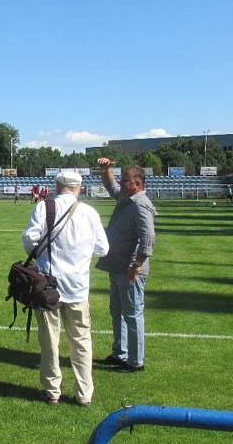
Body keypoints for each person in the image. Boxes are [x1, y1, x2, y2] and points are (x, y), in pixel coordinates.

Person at [21, 171, 108, 406]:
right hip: (78, 285)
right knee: (81, 341)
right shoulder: (89, 212)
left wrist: (42, 255)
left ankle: (52, 391)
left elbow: (29, 238)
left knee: (49, 340)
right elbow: (103, 249)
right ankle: (84, 394)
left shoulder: (44, 207)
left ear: (57, 186)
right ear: (79, 188)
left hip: (47, 285)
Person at [95, 158, 156, 373]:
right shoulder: (126, 197)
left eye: (125, 180)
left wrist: (136, 266)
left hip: (131, 270)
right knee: (118, 312)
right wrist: (106, 170)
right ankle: (119, 353)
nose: (121, 183)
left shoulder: (140, 204)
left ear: (137, 184)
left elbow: (148, 239)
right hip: (117, 266)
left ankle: (135, 361)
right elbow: (112, 188)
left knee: (132, 315)